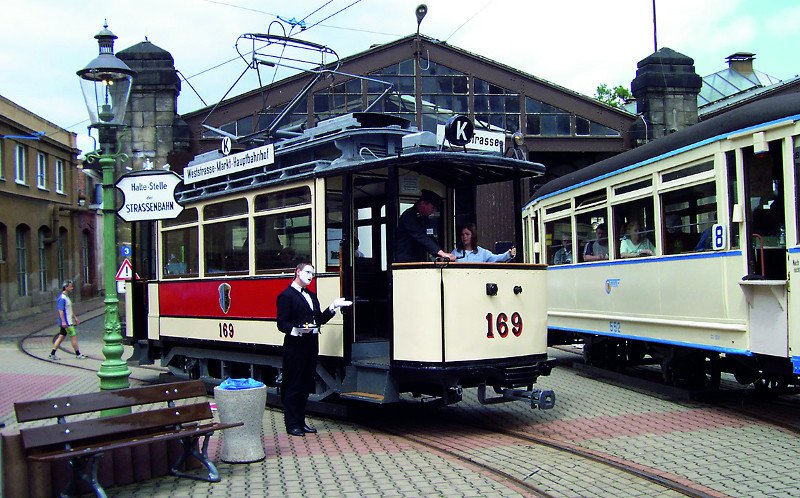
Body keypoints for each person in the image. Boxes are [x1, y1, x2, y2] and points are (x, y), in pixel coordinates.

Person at [276, 262, 351, 437]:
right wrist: (295, 330)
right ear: (298, 272)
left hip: (310, 346)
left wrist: (333, 307)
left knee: (305, 385)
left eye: (313, 273)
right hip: (295, 347)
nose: (311, 276)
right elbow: (281, 322)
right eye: (308, 272)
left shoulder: (311, 295)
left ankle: (300, 421)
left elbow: (318, 320)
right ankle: (292, 424)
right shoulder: (286, 295)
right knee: (293, 384)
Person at [395, 189, 456, 263]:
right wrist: (441, 253)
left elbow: (429, 237)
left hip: (418, 259)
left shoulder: (424, 218)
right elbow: (420, 236)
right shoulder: (409, 216)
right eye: (432, 207)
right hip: (406, 260)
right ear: (423, 203)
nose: (433, 211)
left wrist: (440, 254)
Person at [49, 281, 87, 360]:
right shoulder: (62, 298)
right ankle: (78, 354)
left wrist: (75, 317)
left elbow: (69, 309)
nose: (72, 288)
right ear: (66, 287)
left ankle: (52, 354)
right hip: (67, 323)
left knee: (61, 337)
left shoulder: (66, 297)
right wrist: (63, 321)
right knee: (73, 337)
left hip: (68, 321)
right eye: (70, 286)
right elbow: (61, 310)